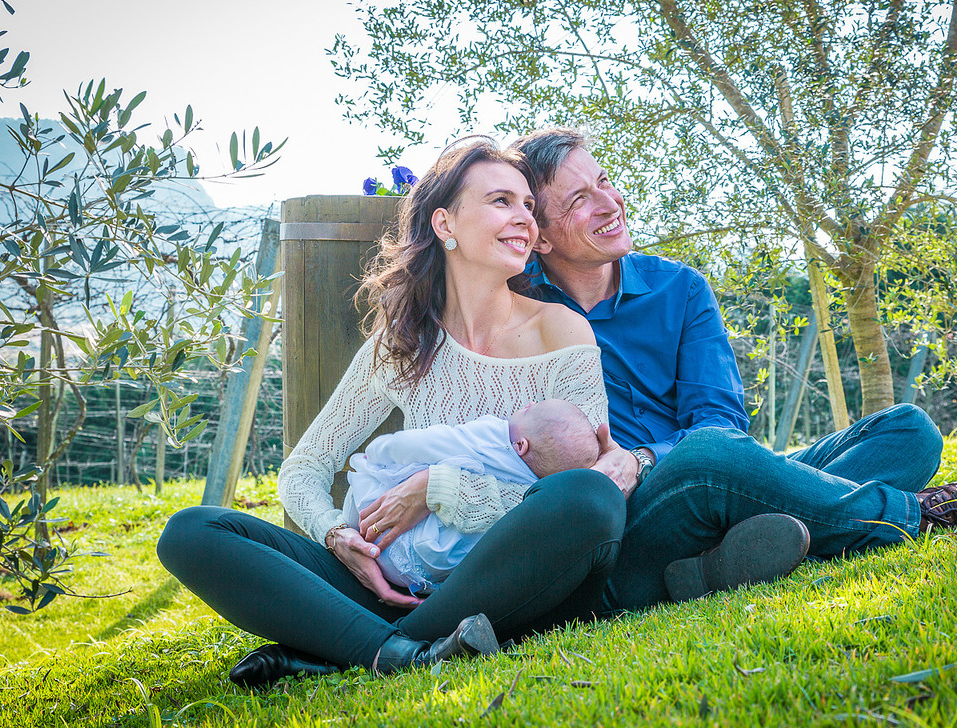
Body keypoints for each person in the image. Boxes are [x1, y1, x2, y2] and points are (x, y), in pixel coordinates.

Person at [497, 126, 957, 610]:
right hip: (630, 523)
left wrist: (647, 457)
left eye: (603, 181)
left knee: (908, 431)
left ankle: (721, 562)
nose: (608, 203)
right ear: (539, 237)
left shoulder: (679, 288)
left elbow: (720, 419)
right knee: (708, 458)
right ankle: (924, 513)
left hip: (712, 473)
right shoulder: (517, 315)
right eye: (578, 200)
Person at [157, 138, 627, 688]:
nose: (524, 217)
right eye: (501, 201)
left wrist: (438, 488)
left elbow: (588, 480)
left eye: (528, 204)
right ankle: (406, 649)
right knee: (192, 531)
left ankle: (370, 646)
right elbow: (304, 468)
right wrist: (338, 537)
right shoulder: (403, 344)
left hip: (504, 580)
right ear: (445, 224)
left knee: (588, 499)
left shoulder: (560, 331)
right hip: (393, 577)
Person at [342, 399, 599, 596]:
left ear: (521, 446)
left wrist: (379, 450)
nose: (528, 403)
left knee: (365, 481)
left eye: (530, 410)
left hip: (384, 541)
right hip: (433, 574)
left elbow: (427, 443)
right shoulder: (536, 493)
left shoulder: (494, 436)